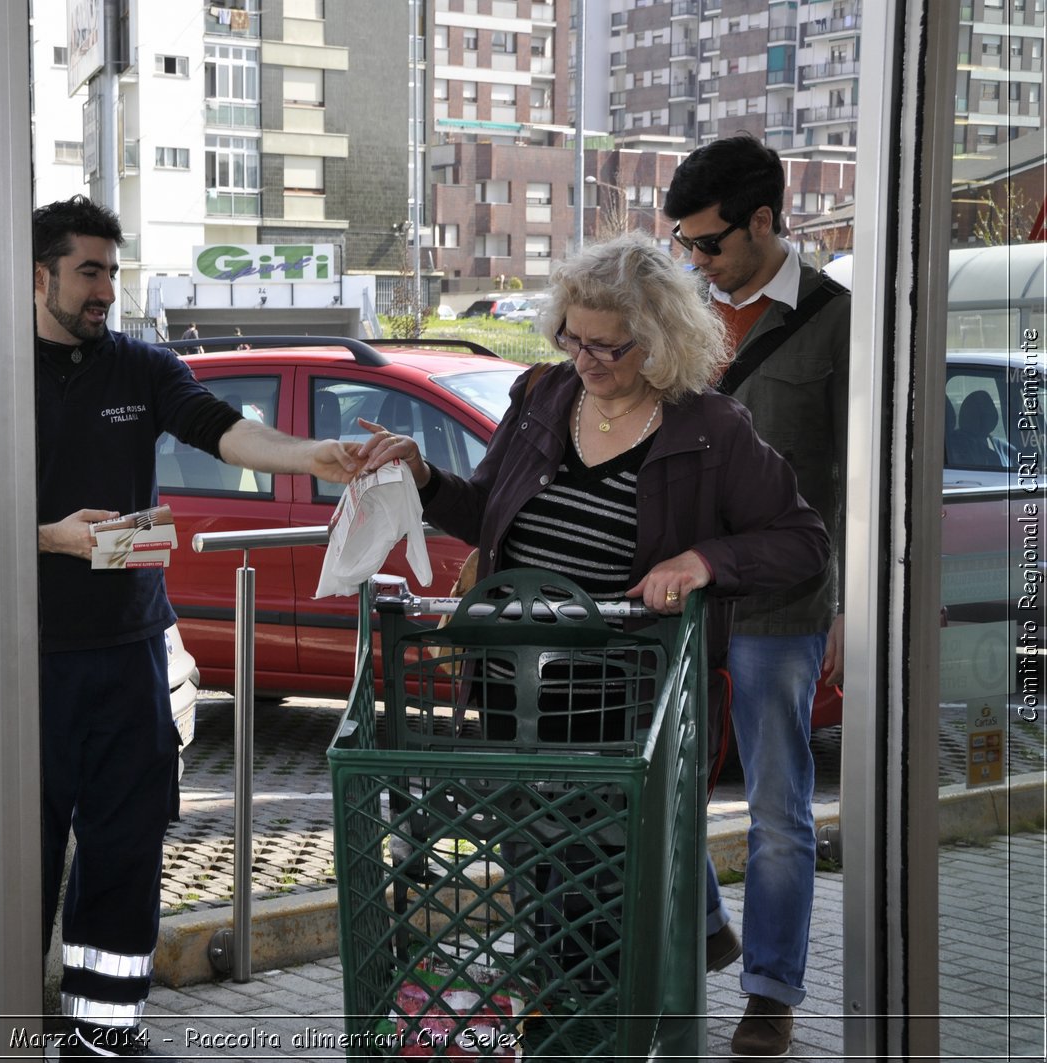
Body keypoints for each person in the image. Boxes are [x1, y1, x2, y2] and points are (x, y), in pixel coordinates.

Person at [358, 231, 829, 1035]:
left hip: (627, 712)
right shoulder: (542, 397)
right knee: (538, 876)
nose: (586, 359)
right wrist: (427, 478)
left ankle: (614, 1025)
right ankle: (556, 1021)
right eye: (573, 337)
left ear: (660, 341)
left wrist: (705, 559)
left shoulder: (710, 428)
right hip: (517, 701)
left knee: (610, 886)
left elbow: (802, 544)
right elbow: (485, 511)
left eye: (608, 346)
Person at [32, 195, 361, 1059]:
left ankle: (104, 1035)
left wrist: (309, 456)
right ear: (42, 275)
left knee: (127, 847)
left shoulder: (140, 369)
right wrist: (48, 537)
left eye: (112, 270)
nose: (105, 288)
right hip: (21, 658)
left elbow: (223, 430)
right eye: (88, 271)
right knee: (19, 850)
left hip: (130, 651)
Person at [663, 134, 850, 1057]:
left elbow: (863, 477)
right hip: (687, 607)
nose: (695, 261)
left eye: (709, 243)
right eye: (684, 246)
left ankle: (771, 991)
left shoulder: (837, 320)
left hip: (787, 605)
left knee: (780, 807)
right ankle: (704, 930)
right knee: (665, 788)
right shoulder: (678, 317)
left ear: (765, 222)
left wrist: (851, 608)